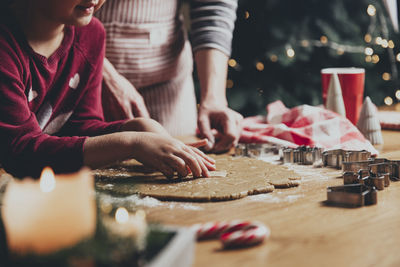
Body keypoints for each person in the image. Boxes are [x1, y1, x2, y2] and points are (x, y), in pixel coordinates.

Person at [0, 0, 215, 179]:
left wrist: (136, 128)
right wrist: (131, 143)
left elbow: (79, 127)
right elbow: (19, 151)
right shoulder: (5, 46)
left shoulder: (91, 34)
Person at [96, 0, 243, 153]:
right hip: (83, 84)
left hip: (170, 90)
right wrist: (102, 72)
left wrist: (214, 98)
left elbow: (213, 6)